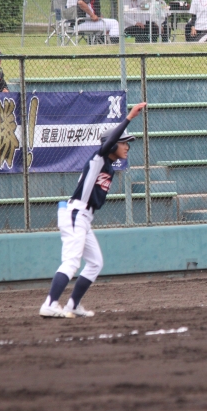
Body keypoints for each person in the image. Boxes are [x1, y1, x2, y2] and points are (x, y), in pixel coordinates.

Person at [39, 102, 147, 318]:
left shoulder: (109, 167)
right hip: (75, 213)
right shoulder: (99, 159)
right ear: (112, 145)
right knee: (71, 262)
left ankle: (72, 305)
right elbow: (108, 144)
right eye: (123, 142)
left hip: (84, 217)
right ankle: (49, 304)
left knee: (95, 263)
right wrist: (129, 117)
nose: (127, 147)